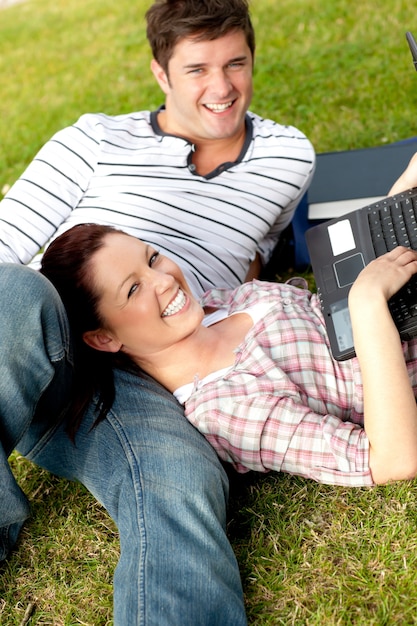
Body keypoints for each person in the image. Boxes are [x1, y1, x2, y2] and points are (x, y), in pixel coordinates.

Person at [0, 0, 315, 623]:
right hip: (47, 340)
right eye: (197, 69)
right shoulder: (91, 139)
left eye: (236, 63)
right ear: (161, 73)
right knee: (14, 293)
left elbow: (254, 256)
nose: (222, 88)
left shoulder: (290, 156)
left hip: (153, 378)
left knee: (178, 484)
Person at [40, 223, 417, 489]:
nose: (165, 280)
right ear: (104, 338)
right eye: (134, 288)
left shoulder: (217, 304)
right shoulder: (224, 409)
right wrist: (367, 303)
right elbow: (392, 460)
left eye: (152, 258)